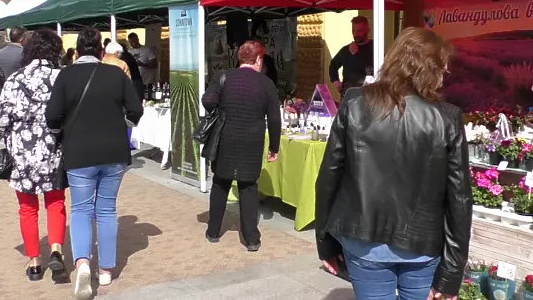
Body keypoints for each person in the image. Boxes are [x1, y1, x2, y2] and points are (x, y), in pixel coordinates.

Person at [316, 27, 472, 300]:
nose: (443, 77)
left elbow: (328, 178)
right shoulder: (447, 118)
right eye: (442, 70)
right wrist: (451, 274)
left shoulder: (354, 102)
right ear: (429, 69)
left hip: (364, 241)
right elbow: (459, 199)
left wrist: (325, 243)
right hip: (421, 245)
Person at [46, 28, 143, 300]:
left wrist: (59, 133)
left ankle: (83, 264)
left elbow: (52, 115)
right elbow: (136, 109)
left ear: (76, 51)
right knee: (107, 209)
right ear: (102, 51)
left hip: (79, 152)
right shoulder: (115, 73)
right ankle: (106, 270)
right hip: (114, 151)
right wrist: (121, 124)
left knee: (81, 209)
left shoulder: (65, 75)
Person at [0, 29, 69, 283]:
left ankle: (35, 262)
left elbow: (0, 121)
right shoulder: (62, 78)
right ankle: (57, 249)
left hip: (23, 152)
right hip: (53, 149)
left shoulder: (15, 79)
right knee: (56, 202)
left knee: (27, 207)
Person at [201, 40, 281, 252]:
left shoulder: (223, 76)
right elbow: (274, 118)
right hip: (251, 141)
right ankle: (251, 239)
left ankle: (213, 231)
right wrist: (274, 147)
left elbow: (208, 100)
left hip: (225, 137)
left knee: (220, 183)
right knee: (248, 187)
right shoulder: (266, 83)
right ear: (258, 59)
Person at [329, 16, 374, 98]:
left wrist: (356, 55)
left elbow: (372, 70)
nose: (356, 34)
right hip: (346, 97)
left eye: (359, 31)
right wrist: (335, 81)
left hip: (366, 97)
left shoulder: (374, 48)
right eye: (354, 31)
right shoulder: (346, 50)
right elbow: (333, 65)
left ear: (367, 30)